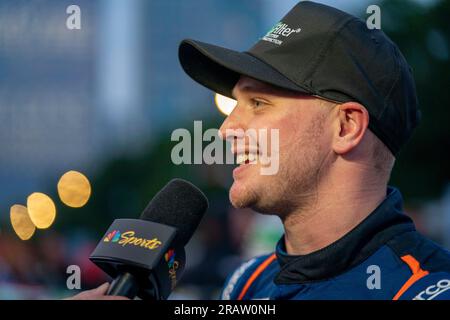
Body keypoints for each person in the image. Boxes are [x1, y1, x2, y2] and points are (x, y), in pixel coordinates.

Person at [177, 1, 450, 300]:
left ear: (346, 127)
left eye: (257, 103)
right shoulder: (246, 283)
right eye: (235, 106)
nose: (226, 130)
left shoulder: (428, 290)